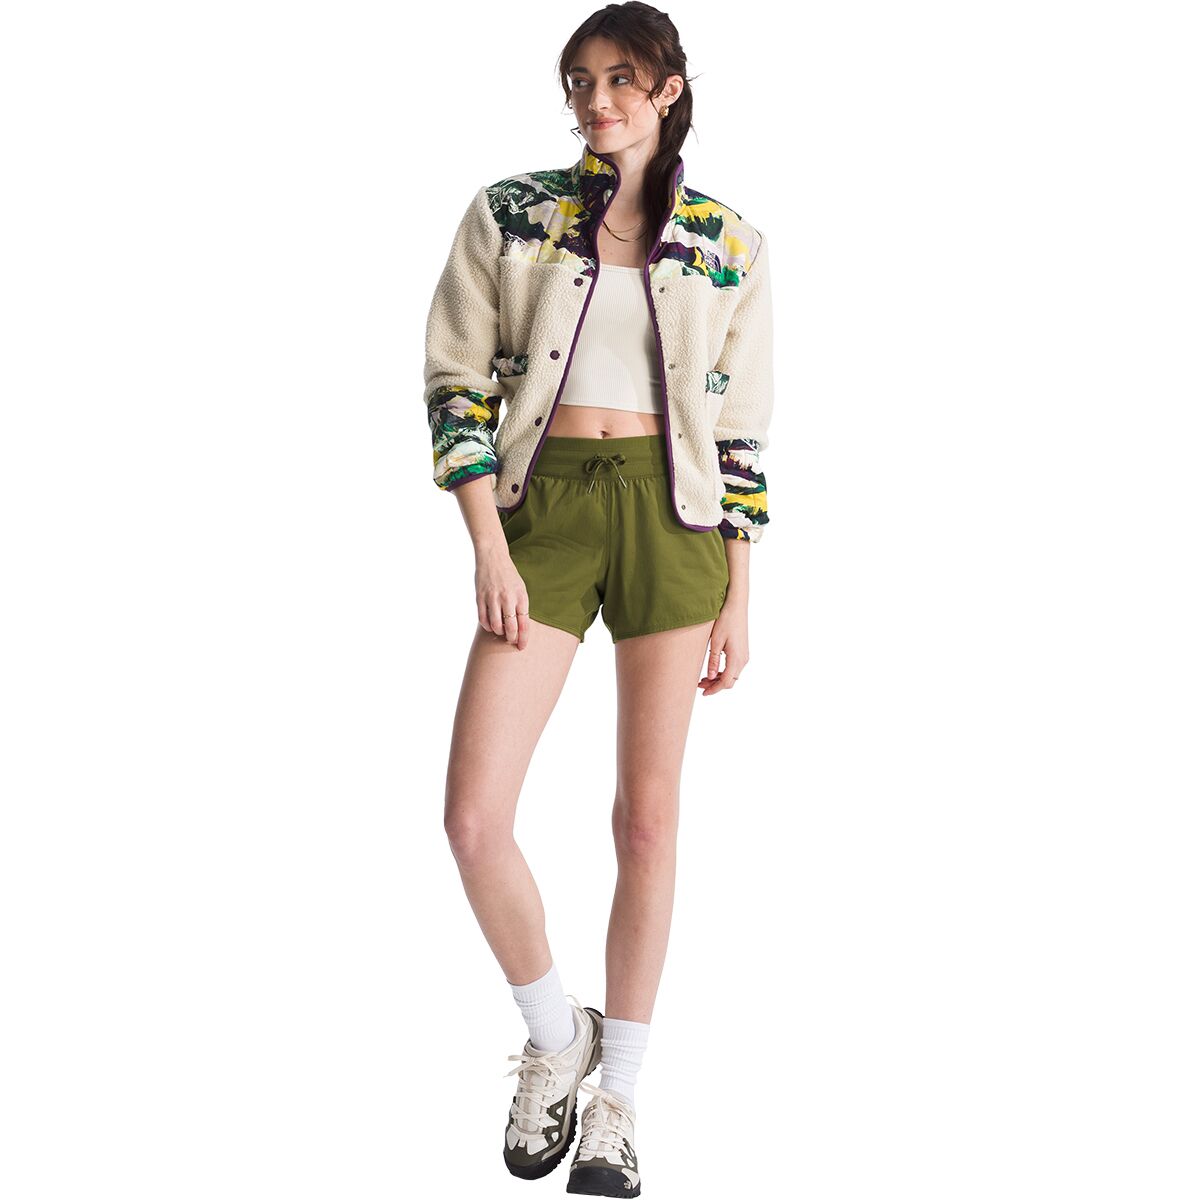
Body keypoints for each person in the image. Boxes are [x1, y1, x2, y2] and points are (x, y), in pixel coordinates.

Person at [421, 5, 773, 1194]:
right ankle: (553, 1035)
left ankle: (619, 1096)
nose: (597, 101)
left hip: (676, 520)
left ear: (668, 89)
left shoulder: (729, 242)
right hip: (546, 511)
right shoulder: (512, 214)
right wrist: (488, 542)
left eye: (622, 79)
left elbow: (739, 434)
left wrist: (740, 592)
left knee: (648, 823)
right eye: (579, 81)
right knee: (474, 816)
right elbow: (456, 385)